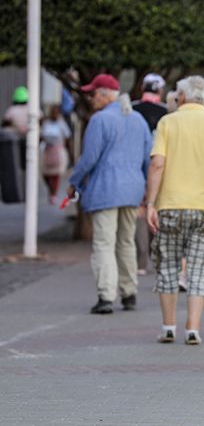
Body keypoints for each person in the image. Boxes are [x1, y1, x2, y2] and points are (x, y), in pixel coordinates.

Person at [145, 75, 204, 345]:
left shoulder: (167, 123)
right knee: (199, 269)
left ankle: (168, 326)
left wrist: (150, 202)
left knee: (168, 266)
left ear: (181, 97)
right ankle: (193, 329)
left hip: (170, 205)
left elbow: (157, 164)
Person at [67, 74, 152, 314]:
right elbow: (147, 158)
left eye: (93, 93)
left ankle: (106, 295)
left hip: (106, 189)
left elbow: (89, 158)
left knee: (104, 242)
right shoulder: (138, 120)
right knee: (126, 240)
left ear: (105, 95)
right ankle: (129, 291)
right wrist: (146, 189)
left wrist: (74, 181)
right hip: (133, 189)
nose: (91, 98)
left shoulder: (100, 120)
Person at [132, 73, 169, 275]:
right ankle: (159, 254)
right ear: (160, 90)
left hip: (135, 166)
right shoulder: (166, 113)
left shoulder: (132, 109)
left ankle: (140, 260)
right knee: (157, 207)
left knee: (140, 211)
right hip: (159, 165)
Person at [40, 105, 71, 204]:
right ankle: (51, 189)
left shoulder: (61, 124)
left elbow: (67, 137)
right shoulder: (46, 123)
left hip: (58, 151)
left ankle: (53, 193)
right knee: (46, 174)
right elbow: (41, 136)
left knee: (56, 174)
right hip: (47, 151)